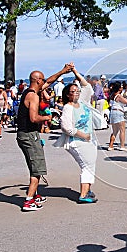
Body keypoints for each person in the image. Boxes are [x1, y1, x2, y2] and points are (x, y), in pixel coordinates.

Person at [17, 64, 71, 211]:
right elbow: (34, 118)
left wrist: (63, 71)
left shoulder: (30, 91)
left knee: (34, 166)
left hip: (24, 135)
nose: (45, 82)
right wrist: (48, 116)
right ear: (38, 80)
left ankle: (34, 195)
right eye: (43, 80)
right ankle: (28, 201)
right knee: (37, 168)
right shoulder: (33, 96)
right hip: (29, 135)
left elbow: (50, 81)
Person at [54, 66, 98, 203]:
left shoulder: (81, 102)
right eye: (73, 91)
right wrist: (83, 135)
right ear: (67, 94)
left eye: (77, 91)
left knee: (90, 165)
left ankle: (87, 189)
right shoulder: (68, 107)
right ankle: (84, 195)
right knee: (87, 166)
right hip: (76, 141)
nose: (77, 93)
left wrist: (75, 72)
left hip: (87, 140)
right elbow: (66, 127)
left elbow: (87, 88)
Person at [107, 82, 127, 151]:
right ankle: (122, 146)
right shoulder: (118, 96)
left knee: (115, 131)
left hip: (113, 112)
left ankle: (110, 145)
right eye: (121, 87)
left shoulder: (112, 95)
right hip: (119, 112)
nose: (122, 88)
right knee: (122, 130)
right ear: (119, 88)